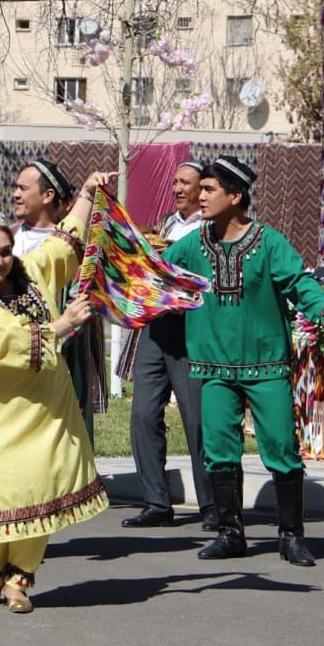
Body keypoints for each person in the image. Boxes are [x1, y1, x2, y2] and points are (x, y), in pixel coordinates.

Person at [163, 156, 324, 567]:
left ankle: (291, 536)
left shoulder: (268, 242)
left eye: (209, 189)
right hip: (213, 368)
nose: (200, 195)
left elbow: (299, 283)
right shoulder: (193, 244)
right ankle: (231, 533)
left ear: (235, 196)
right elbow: (157, 270)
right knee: (219, 450)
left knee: (282, 446)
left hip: (266, 366)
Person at [0, 174, 112, 613]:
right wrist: (62, 325)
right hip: (3, 417)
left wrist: (84, 195)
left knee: (38, 492)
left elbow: (67, 242)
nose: (0, 262)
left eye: (5, 252)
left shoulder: (33, 274)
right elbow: (7, 342)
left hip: (47, 413)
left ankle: (20, 579)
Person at [123, 160, 213, 530]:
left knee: (197, 421)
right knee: (143, 414)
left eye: (185, 183)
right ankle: (156, 502)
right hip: (156, 329)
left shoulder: (209, 229)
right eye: (175, 181)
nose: (177, 188)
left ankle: (213, 506)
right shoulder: (166, 224)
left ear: (202, 189)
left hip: (190, 332)